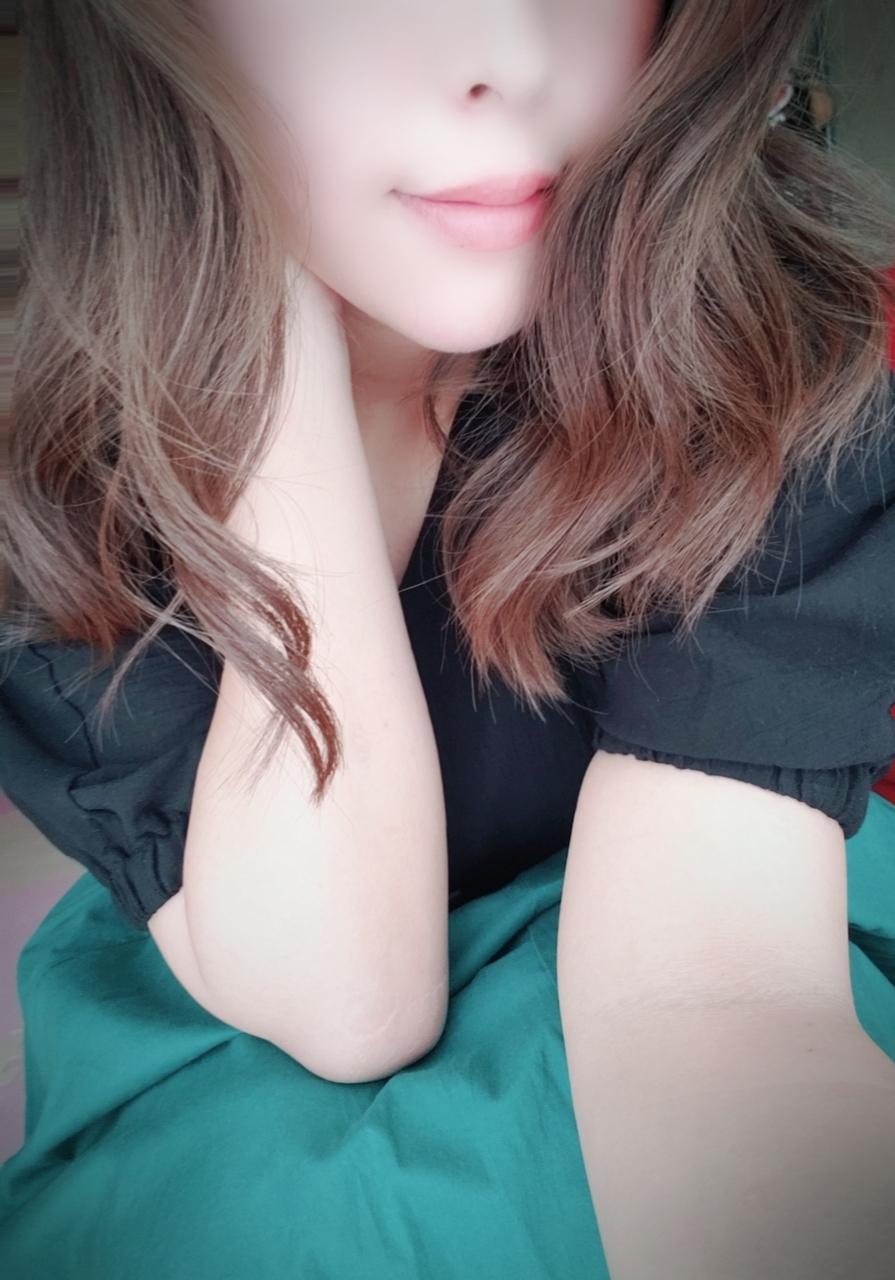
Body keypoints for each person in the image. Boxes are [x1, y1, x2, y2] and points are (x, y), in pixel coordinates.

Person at [2, 2, 895, 1277]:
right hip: (241, 984)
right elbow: (346, 1000)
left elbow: (712, 989)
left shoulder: (755, 351)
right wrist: (258, 347)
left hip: (736, 902)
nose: (515, 59)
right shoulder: (55, 488)